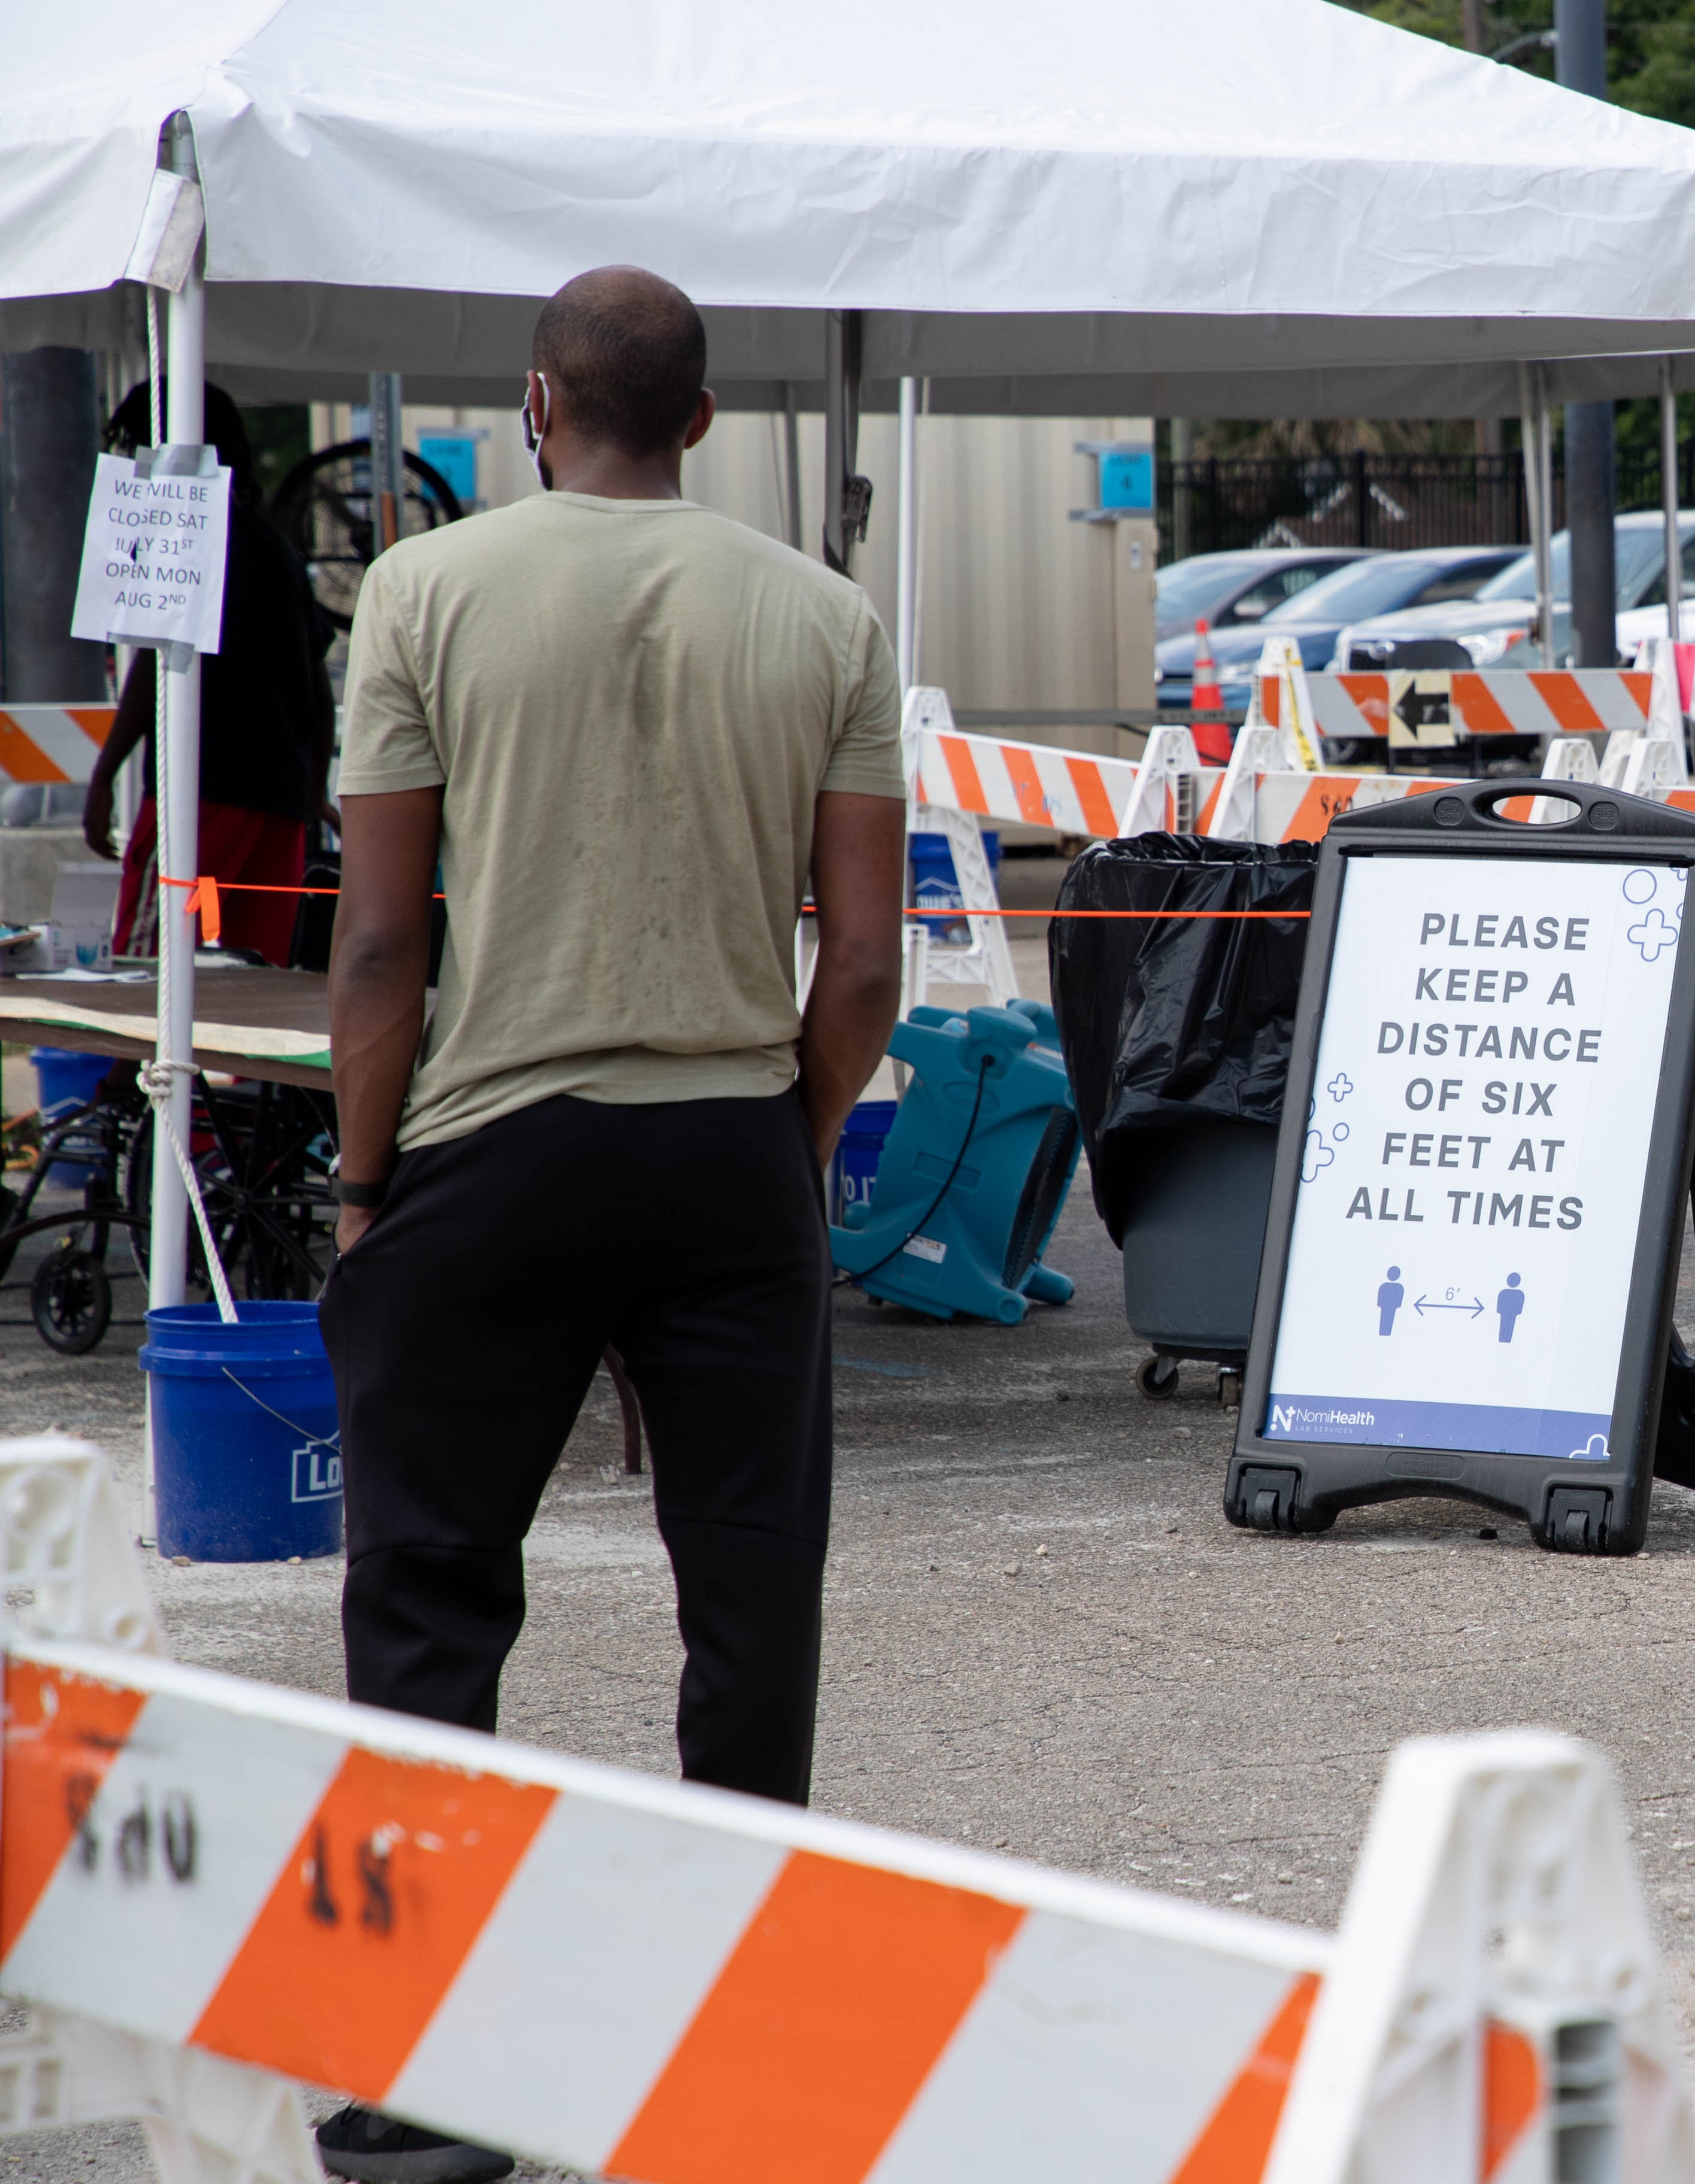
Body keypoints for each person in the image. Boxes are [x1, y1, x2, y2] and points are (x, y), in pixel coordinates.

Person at [314, 266, 904, 2184]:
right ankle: (750, 2055)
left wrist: (361, 1178)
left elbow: (388, 936)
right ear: (709, 422)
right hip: (728, 1144)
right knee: (750, 1601)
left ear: (539, 402)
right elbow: (869, 969)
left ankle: (422, 2092)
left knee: (428, 1592)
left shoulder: (425, 589)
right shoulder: (826, 616)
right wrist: (785, 1148)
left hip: (491, 1142)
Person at [83, 384, 336, 963]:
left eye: (133, 444)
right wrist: (313, 788)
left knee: (151, 968)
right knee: (249, 980)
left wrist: (104, 777)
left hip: (202, 793)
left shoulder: (183, 537)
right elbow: (318, 689)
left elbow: (154, 666)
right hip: (279, 805)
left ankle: (130, 1063)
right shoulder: (275, 545)